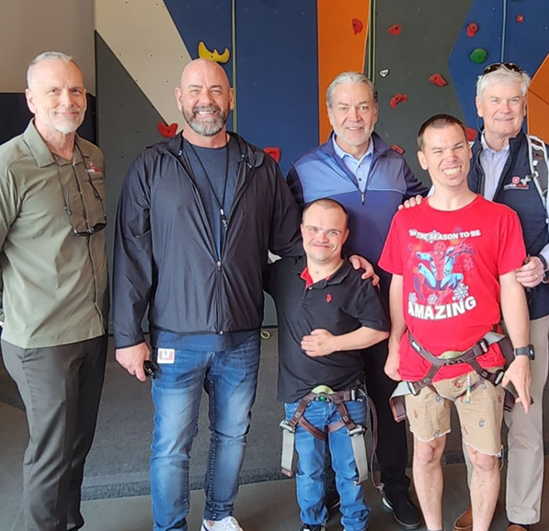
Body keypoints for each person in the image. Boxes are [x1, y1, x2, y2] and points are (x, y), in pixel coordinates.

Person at [113, 59, 375, 531]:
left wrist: (345, 260)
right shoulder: (152, 167)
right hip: (176, 334)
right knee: (171, 444)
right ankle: (170, 526)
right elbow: (131, 255)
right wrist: (127, 335)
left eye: (215, 90)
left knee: (231, 435)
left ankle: (218, 516)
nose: (205, 99)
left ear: (230, 98)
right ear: (180, 98)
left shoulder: (260, 167)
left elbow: (294, 244)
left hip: (241, 334)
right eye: (195, 90)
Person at [380, 114, 532, 531]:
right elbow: (399, 283)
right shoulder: (406, 221)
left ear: (470, 152)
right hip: (421, 361)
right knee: (426, 452)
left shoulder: (500, 219)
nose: (450, 158)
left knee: (485, 456)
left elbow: (511, 289)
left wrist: (521, 355)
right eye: (439, 150)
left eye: (458, 147)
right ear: (423, 159)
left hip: (479, 363)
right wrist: (395, 341)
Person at [288, 71, 426, 529]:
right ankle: (330, 490)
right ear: (329, 114)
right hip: (333, 310)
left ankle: (394, 484)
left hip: (390, 305)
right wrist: (346, 259)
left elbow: (420, 216)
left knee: (390, 398)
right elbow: (294, 238)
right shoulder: (305, 169)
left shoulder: (398, 164)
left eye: (363, 106)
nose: (354, 116)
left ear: (376, 110)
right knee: (333, 402)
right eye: (344, 107)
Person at [450, 62, 549, 531]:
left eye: (514, 101)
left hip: (529, 310)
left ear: (525, 108)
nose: (506, 109)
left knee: (524, 414)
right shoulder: (455, 155)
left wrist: (543, 263)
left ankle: (522, 515)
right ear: (479, 107)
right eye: (496, 101)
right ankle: (481, 505)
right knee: (476, 416)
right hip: (470, 315)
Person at [0, 51, 108, 531]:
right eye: (54, 91)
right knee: (51, 454)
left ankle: (65, 525)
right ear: (31, 99)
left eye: (75, 90)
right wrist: (4, 308)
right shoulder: (5, 167)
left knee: (77, 445)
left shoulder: (92, 157)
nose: (67, 100)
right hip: (41, 342)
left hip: (91, 330)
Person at [266, 198, 390, 531]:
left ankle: (355, 524)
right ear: (302, 231)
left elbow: (379, 329)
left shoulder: (357, 280)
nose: (322, 237)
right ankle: (312, 523)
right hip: (299, 400)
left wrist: (334, 343)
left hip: (346, 399)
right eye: (314, 229)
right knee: (308, 471)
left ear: (345, 234)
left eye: (332, 231)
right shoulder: (282, 273)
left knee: (351, 471)